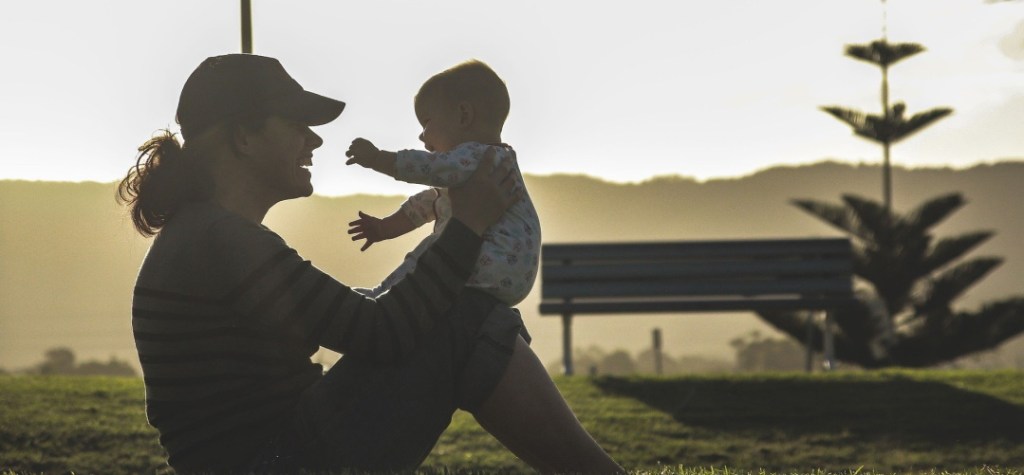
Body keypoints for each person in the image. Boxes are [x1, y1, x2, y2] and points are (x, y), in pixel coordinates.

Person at [118, 53, 622, 474]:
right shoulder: (219, 240)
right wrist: (467, 225)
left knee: (464, 314)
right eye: (297, 125)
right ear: (242, 138)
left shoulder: (204, 235)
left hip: (272, 455)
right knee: (467, 316)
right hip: (275, 461)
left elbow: (348, 318)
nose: (314, 141)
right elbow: (381, 333)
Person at [344, 60, 540, 309]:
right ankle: (383, 295)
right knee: (437, 249)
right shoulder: (488, 166)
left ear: (463, 116)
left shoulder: (480, 156)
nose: (421, 136)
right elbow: (427, 205)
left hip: (491, 262)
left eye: (426, 123)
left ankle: (383, 298)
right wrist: (383, 229)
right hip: (508, 275)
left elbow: (428, 167)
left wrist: (377, 158)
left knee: (431, 253)